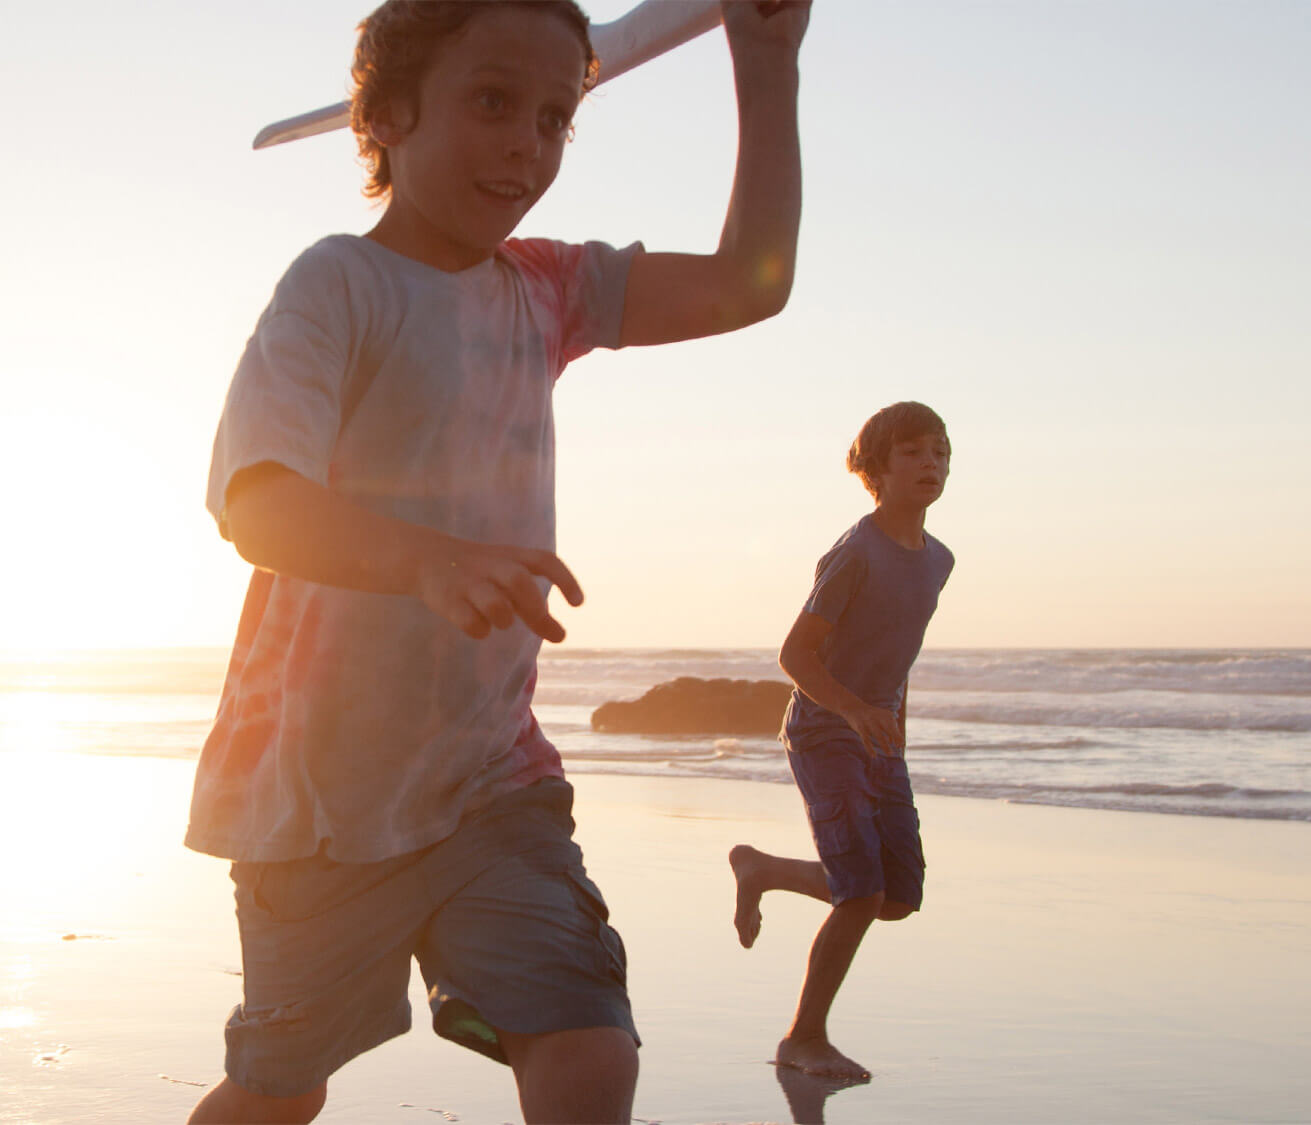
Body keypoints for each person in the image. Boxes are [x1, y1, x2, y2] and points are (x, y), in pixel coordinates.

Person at [185, 2, 808, 1122]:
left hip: (491, 783)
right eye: (491, 102)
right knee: (280, 1092)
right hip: (316, 804)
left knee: (588, 1050)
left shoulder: (546, 288)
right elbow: (258, 503)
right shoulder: (338, 284)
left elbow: (748, 282)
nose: (527, 144)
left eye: (555, 117)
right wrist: (425, 561)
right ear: (386, 116)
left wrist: (764, 63)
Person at [728, 401, 955, 1082]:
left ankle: (764, 869)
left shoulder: (939, 559)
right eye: (913, 452)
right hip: (824, 730)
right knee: (859, 891)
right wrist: (854, 710)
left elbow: (897, 655)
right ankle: (804, 1038)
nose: (931, 463)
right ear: (876, 470)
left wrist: (895, 730)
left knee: (896, 896)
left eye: (940, 451)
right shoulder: (855, 553)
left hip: (877, 736)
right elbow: (794, 655)